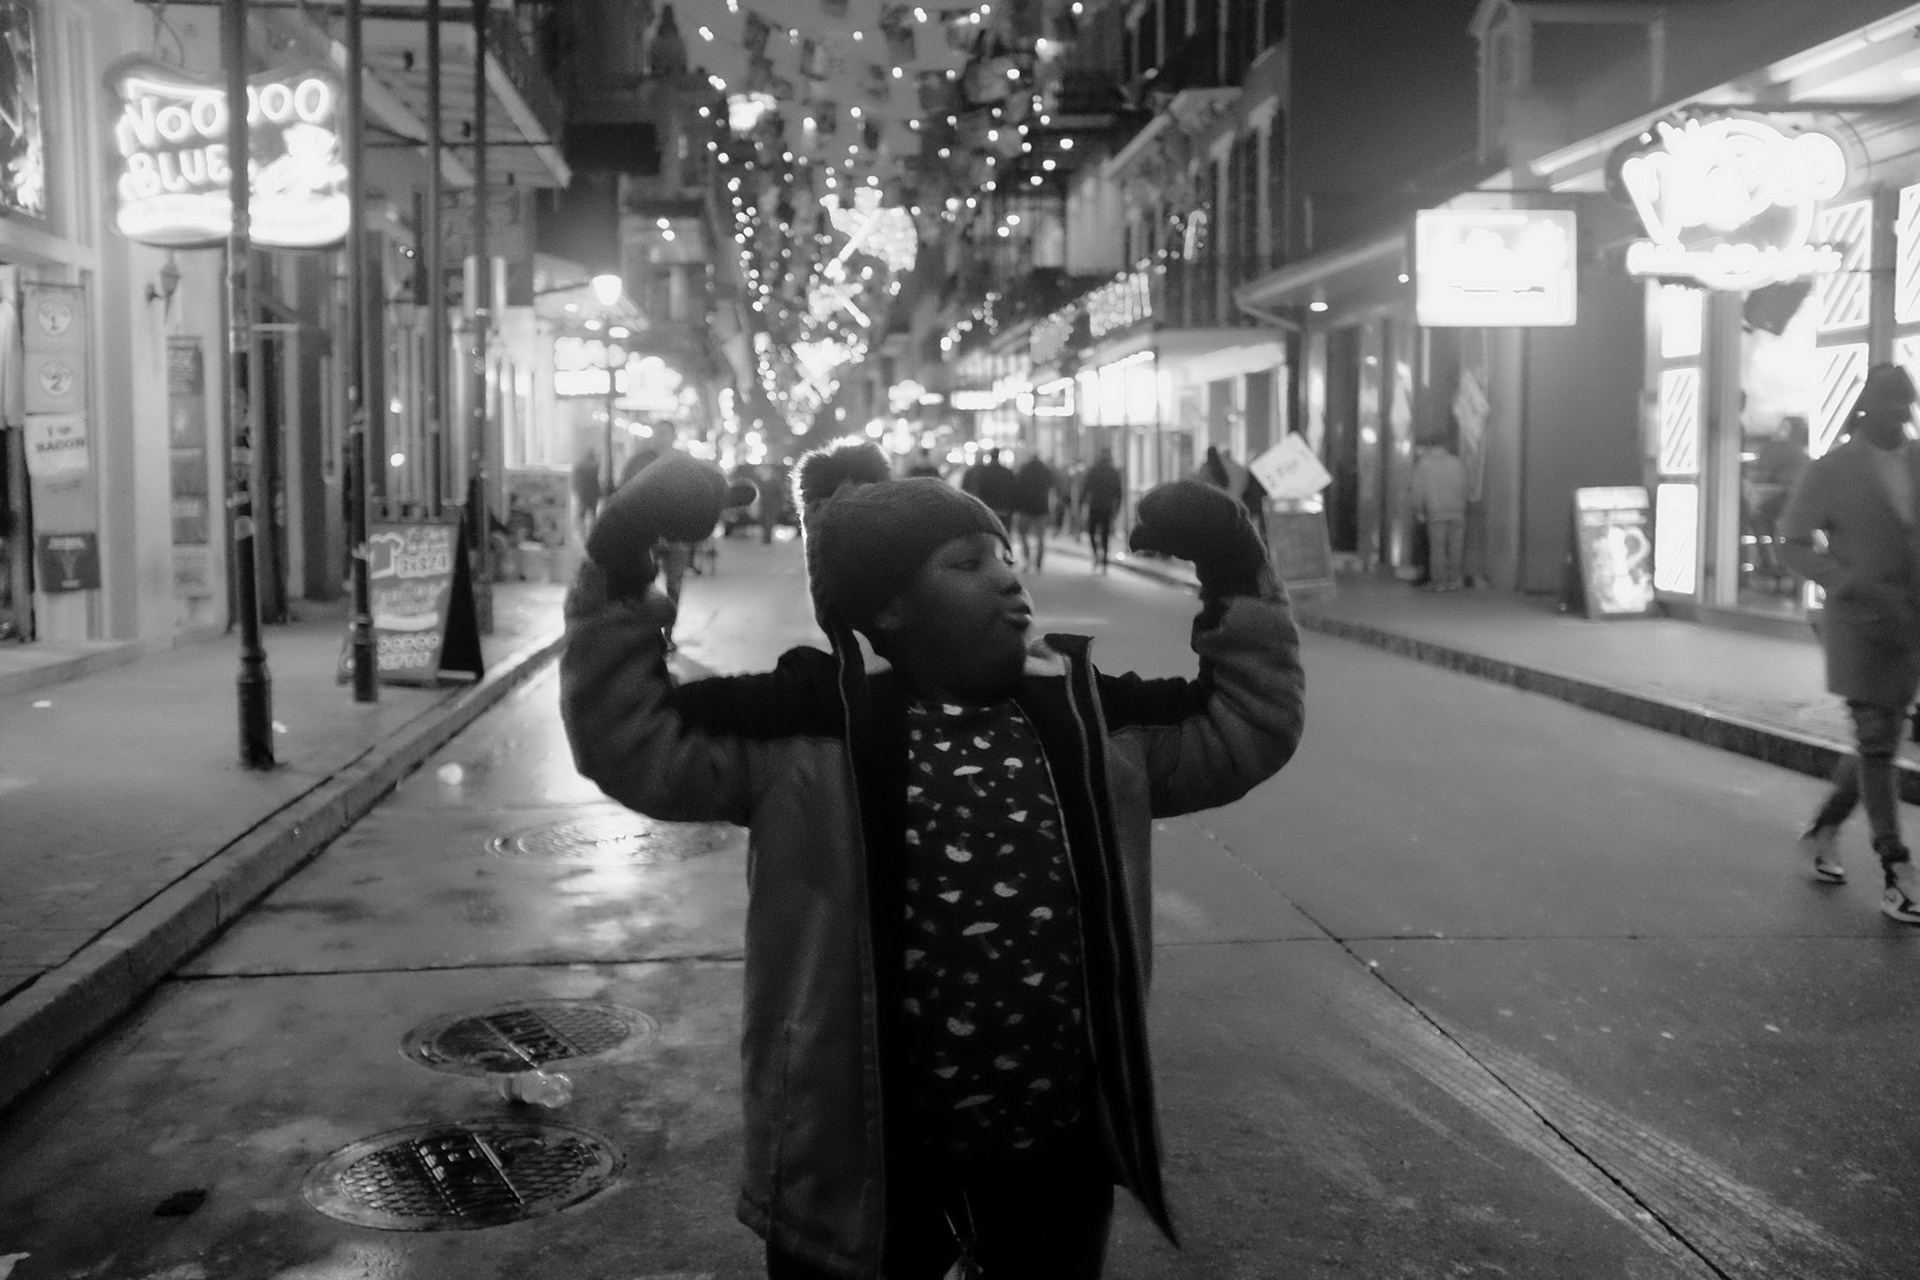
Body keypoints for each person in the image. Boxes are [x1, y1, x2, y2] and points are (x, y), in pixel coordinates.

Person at [563, 440, 1304, 1280]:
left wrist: (1236, 566)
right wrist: (621, 551)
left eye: (1004, 558)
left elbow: (1246, 724)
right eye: (966, 563)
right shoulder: (806, 723)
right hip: (863, 1169)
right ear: (887, 608)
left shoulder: (1087, 716)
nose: (1007, 579)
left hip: (1051, 1161)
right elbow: (629, 736)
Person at [1780, 363, 1920, 922]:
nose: (1901, 413)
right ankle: (1897, 870)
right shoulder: (1831, 470)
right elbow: (1790, 543)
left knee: (1876, 743)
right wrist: (1843, 580)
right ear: (1866, 406)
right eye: (1890, 403)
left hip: (1910, 624)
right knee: (1878, 740)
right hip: (1859, 625)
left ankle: (1823, 829)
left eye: (1907, 403)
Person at [1408, 442, 1469, 591]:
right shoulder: (1456, 463)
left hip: (1436, 512)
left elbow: (1417, 490)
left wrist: (1418, 509)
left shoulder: (1424, 465)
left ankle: (1439, 582)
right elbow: (1465, 486)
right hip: (1457, 511)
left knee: (1438, 549)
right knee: (1456, 548)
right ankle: (1454, 580)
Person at [1011, 450, 1056, 571]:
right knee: (1040, 537)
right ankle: (1038, 563)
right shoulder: (1045, 470)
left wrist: (1016, 506)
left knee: (1023, 534)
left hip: (1025, 508)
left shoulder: (1024, 470)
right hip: (1041, 508)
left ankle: (1027, 559)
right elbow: (1051, 486)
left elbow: (1017, 488)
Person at [1081, 450, 1123, 572]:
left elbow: (1086, 488)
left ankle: (1096, 555)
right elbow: (1118, 493)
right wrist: (1117, 509)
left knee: (1092, 532)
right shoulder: (1113, 472)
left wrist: (1082, 503)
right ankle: (1104, 559)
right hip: (1106, 507)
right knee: (1105, 535)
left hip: (1095, 506)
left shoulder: (1093, 471)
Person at [974, 447, 1017, 530]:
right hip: (1003, 509)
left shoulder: (983, 472)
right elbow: (1013, 491)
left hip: (987, 509)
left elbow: (978, 490)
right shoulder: (1007, 472)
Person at [572, 448, 603, 537]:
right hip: (593, 495)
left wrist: (575, 490)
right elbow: (599, 480)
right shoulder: (596, 466)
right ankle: (592, 534)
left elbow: (575, 480)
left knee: (581, 516)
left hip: (583, 494)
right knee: (593, 515)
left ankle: (583, 535)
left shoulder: (579, 466)